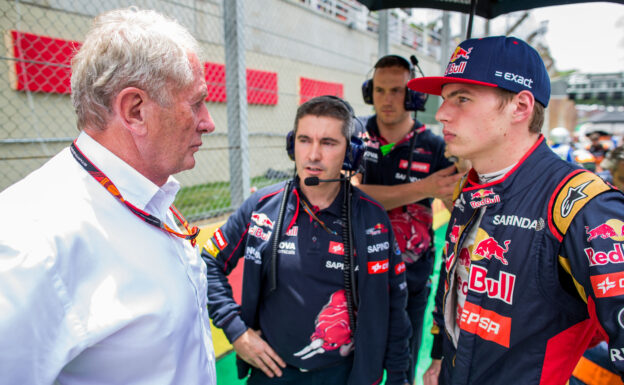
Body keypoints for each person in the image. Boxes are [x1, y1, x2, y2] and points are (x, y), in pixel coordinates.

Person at [0, 8, 217, 384]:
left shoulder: (147, 194)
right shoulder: (31, 245)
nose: (208, 121)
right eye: (195, 102)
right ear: (135, 111)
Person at [406, 35, 624, 385]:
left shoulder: (582, 205)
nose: (442, 112)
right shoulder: (470, 187)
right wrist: (438, 357)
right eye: (445, 98)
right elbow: (452, 284)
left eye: (462, 98)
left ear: (520, 107)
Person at [202, 95, 411, 385]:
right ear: (292, 146)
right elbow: (209, 262)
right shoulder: (262, 206)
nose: (313, 155)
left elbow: (394, 305)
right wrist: (235, 330)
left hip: (345, 376)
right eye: (304, 140)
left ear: (350, 153)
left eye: (328, 143)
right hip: (272, 373)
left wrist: (399, 377)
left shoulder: (372, 219)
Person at [353, 54, 464, 384]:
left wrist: (462, 172)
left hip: (413, 276)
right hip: (357, 275)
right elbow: (351, 196)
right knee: (358, 367)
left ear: (414, 96)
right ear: (369, 92)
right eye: (380, 90)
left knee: (403, 366)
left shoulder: (435, 145)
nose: (387, 99)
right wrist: (424, 187)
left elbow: (456, 199)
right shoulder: (354, 136)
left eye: (397, 91)